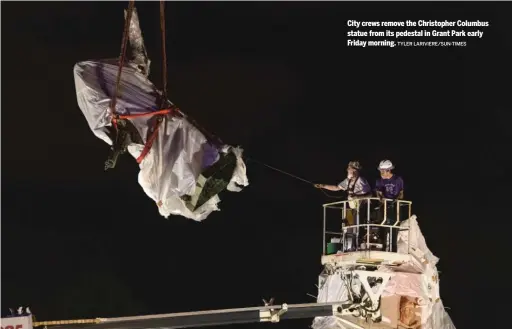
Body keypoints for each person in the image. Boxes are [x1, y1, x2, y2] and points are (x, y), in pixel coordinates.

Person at [315, 161, 371, 251]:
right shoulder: (348, 181)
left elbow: (370, 194)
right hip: (351, 207)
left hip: (362, 206)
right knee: (348, 225)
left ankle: (361, 243)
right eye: (348, 168)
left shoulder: (361, 181)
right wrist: (323, 186)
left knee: (360, 225)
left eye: (349, 168)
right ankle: (350, 245)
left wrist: (357, 196)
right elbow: (337, 188)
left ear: (355, 170)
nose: (347, 170)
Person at [375, 160, 405, 252]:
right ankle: (383, 247)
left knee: (394, 227)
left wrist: (397, 200)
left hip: (395, 206)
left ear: (388, 170)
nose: (381, 173)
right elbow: (378, 193)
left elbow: (401, 193)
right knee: (383, 226)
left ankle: (394, 248)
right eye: (380, 171)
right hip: (384, 206)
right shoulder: (379, 181)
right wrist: (381, 198)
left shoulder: (397, 180)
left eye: (382, 171)